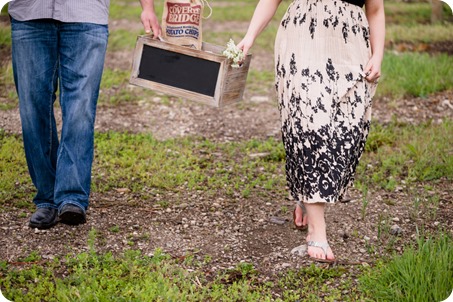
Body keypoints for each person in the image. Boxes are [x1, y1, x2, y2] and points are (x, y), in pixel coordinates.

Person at [238, 0, 385, 262]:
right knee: (309, 127)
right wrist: (249, 37)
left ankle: (307, 195)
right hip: (302, 38)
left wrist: (378, 54)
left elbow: (375, 9)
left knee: (346, 132)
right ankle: (318, 228)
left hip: (350, 45)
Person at [9, 0, 161, 229]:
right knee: (32, 107)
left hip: (86, 15)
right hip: (30, 13)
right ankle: (47, 197)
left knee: (80, 107)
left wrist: (147, 7)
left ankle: (72, 196)